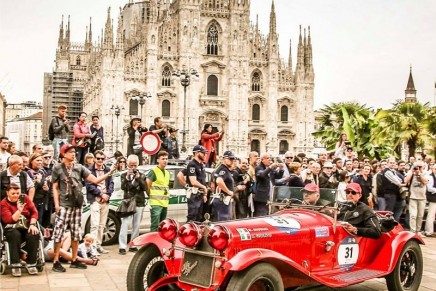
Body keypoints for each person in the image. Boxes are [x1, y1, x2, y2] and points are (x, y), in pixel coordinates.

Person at [51, 144, 115, 272]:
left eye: (74, 152)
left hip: (77, 205)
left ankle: (74, 260)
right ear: (63, 154)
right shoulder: (57, 168)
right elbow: (55, 187)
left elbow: (95, 180)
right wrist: (57, 204)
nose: (73, 154)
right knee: (58, 233)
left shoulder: (79, 168)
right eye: (70, 152)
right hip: (64, 205)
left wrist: (109, 173)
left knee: (76, 233)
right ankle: (56, 261)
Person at [0, 183, 40, 276]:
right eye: (13, 193)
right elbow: (9, 220)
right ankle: (15, 263)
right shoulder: (3, 203)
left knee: (33, 234)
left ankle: (31, 263)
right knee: (15, 235)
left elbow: (34, 212)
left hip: (26, 225)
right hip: (11, 226)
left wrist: (33, 224)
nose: (16, 196)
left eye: (18, 193)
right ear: (7, 193)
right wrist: (19, 210)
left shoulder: (25, 198)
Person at [85, 150, 114, 254]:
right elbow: (89, 186)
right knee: (94, 224)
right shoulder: (89, 171)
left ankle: (98, 245)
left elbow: (111, 184)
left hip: (105, 201)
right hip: (95, 200)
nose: (100, 160)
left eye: (102, 158)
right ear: (94, 159)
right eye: (98, 158)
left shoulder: (108, 170)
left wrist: (108, 195)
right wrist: (101, 194)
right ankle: (92, 248)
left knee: (102, 225)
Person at [119, 155, 148, 255]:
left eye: (135, 165)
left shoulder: (142, 175)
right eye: (131, 165)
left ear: (138, 165)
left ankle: (133, 245)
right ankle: (122, 246)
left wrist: (139, 179)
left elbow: (145, 188)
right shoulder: (123, 175)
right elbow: (123, 187)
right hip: (128, 202)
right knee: (125, 223)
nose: (133, 168)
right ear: (127, 165)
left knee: (136, 225)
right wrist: (127, 177)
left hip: (139, 201)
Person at [146, 151, 170, 231]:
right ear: (158, 160)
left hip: (164, 203)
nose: (165, 161)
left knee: (162, 226)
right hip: (156, 203)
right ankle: (152, 243)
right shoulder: (153, 171)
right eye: (163, 159)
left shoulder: (167, 173)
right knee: (155, 226)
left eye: (166, 159)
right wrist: (151, 195)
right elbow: (147, 186)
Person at [404, 161, 429, 234]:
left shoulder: (425, 173)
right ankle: (413, 231)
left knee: (420, 216)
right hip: (413, 197)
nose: (418, 168)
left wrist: (419, 174)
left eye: (420, 167)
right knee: (413, 215)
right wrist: (412, 172)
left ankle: (418, 231)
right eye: (417, 166)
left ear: (423, 167)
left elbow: (425, 182)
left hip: (422, 197)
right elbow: (406, 181)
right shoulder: (411, 172)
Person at [186, 145, 208, 222]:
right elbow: (193, 181)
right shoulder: (192, 164)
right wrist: (204, 188)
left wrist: (204, 194)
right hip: (194, 194)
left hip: (200, 195)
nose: (205, 155)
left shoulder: (201, 165)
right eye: (203, 153)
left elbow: (203, 180)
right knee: (192, 217)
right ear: (196, 153)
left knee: (199, 218)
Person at [27, 153, 50, 225]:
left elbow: (45, 186)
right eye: (37, 160)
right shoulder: (28, 173)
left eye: (40, 160)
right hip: (34, 201)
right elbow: (30, 189)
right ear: (31, 161)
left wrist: (47, 188)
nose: (40, 162)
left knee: (41, 221)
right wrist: (37, 182)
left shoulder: (42, 172)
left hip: (42, 201)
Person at [213, 151, 236, 221]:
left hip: (221, 199)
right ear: (223, 159)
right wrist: (228, 192)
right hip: (223, 199)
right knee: (224, 221)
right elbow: (219, 181)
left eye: (232, 159)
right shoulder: (224, 170)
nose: (231, 161)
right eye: (229, 159)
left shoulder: (220, 169)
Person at [253, 152, 278, 216]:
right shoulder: (258, 168)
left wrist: (281, 170)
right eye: (267, 158)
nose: (269, 160)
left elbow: (277, 177)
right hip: (261, 198)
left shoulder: (269, 169)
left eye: (270, 158)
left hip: (269, 196)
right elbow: (262, 175)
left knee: (267, 214)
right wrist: (270, 168)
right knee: (260, 215)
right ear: (262, 160)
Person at [425, 164, 436, 237]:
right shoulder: (430, 176)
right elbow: (429, 188)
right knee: (431, 215)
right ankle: (429, 231)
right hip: (433, 198)